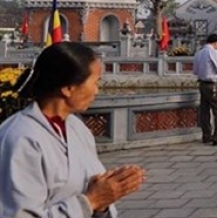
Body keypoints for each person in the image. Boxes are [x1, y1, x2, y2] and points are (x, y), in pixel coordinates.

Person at [0, 42, 146, 217]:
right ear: (68, 88)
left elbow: (94, 191)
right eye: (95, 82)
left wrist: (106, 196)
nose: (96, 91)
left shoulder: (77, 128)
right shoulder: (21, 138)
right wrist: (90, 201)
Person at [193, 33, 217, 145]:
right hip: (213, 85)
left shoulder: (198, 53)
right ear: (216, 43)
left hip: (202, 84)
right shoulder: (213, 52)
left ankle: (206, 135)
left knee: (204, 111)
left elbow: (195, 71)